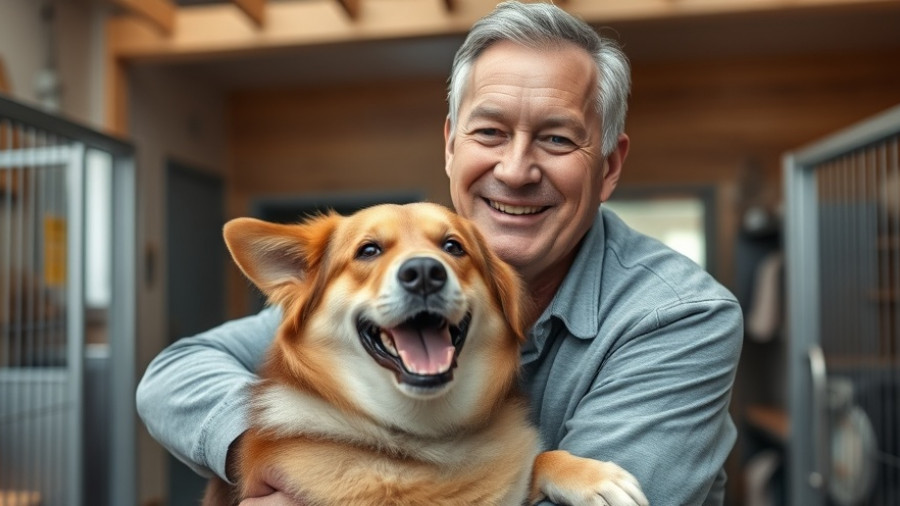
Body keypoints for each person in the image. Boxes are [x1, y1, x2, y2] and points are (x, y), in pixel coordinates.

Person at [136, 2, 743, 505]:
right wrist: (266, 453)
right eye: (490, 132)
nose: (516, 169)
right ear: (452, 146)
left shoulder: (681, 316)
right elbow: (171, 376)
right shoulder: (366, 296)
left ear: (607, 166)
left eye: (557, 138)